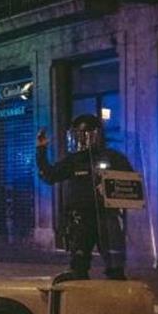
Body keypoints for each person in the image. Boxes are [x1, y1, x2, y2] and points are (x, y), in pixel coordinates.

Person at [36, 114, 134, 281]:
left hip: (107, 215)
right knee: (78, 265)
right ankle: (79, 297)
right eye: (78, 136)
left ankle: (118, 297)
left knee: (115, 265)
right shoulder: (73, 160)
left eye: (86, 135)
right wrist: (41, 150)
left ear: (97, 135)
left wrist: (111, 185)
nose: (82, 140)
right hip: (81, 218)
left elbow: (132, 184)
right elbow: (50, 175)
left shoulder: (113, 158)